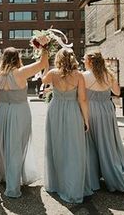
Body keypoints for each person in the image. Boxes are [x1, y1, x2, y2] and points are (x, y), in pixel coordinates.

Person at [0, 47, 48, 198]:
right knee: (16, 147)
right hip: (19, 111)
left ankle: (3, 177)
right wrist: (44, 46)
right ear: (17, 58)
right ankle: (13, 186)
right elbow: (43, 63)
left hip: (1, 111)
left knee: (3, 146)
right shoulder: (21, 72)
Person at [42, 48, 93, 203]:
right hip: (72, 111)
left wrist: (46, 66)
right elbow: (82, 99)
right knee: (74, 148)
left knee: (56, 146)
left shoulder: (53, 73)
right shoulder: (79, 76)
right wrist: (86, 119)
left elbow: (43, 80)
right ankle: (73, 185)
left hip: (55, 110)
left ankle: (57, 183)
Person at [83, 51, 124, 192]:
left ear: (91, 62)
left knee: (91, 143)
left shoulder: (85, 76)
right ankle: (114, 174)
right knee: (108, 143)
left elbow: (80, 95)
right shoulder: (109, 75)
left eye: (85, 60)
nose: (83, 62)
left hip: (91, 110)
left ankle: (94, 176)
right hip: (107, 110)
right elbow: (117, 92)